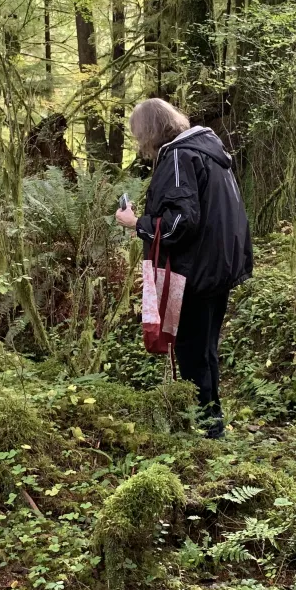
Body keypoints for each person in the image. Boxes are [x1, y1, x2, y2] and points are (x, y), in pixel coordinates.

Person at [115, 98, 253, 438]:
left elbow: (179, 223)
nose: (139, 145)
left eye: (138, 136)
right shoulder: (207, 149)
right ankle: (211, 423)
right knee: (204, 351)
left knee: (194, 353)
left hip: (197, 274)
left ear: (149, 132)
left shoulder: (179, 157)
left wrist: (136, 223)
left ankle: (209, 432)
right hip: (217, 269)